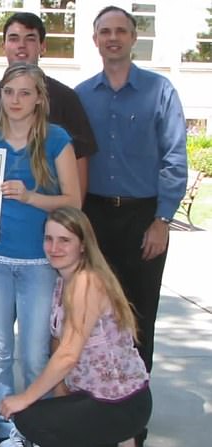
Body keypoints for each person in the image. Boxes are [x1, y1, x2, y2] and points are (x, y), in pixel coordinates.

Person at [0, 12, 97, 435]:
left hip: (39, 259)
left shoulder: (55, 138)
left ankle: (35, 426)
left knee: (35, 352)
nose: (16, 99)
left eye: (25, 93)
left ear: (39, 97)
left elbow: (72, 200)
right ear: (0, 97)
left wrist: (30, 195)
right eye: (9, 92)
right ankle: (5, 430)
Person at [75, 7, 187, 445]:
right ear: (95, 39)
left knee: (139, 316)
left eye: (121, 30)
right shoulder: (83, 95)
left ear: (134, 37)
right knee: (91, 314)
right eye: (105, 31)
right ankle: (94, 404)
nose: (113, 38)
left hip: (143, 218)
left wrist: (163, 220)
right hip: (95, 216)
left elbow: (175, 158)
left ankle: (133, 416)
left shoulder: (160, 91)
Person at [0, 206, 152, 447]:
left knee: (29, 419)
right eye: (49, 239)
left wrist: (24, 398)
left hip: (121, 402)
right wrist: (61, 395)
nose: (54, 248)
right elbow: (58, 342)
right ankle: (119, 439)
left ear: (83, 245)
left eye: (64, 240)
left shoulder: (86, 282)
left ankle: (124, 436)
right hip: (92, 396)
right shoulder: (63, 281)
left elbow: (69, 354)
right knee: (43, 415)